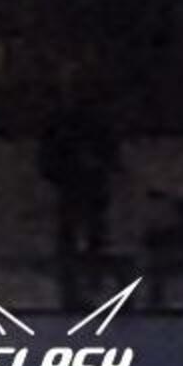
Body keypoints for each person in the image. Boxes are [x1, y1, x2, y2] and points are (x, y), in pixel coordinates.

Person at [38, 100, 121, 310]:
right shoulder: (69, 126)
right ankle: (80, 283)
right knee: (79, 233)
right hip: (77, 185)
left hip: (83, 185)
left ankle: (86, 282)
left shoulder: (71, 125)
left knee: (88, 233)